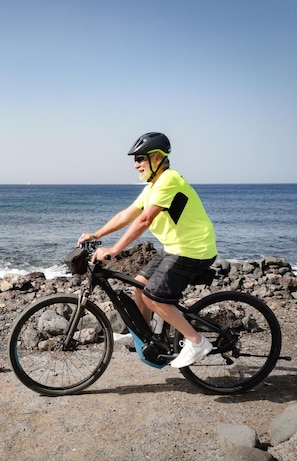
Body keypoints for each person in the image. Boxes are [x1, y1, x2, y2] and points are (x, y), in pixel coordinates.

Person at [78, 132, 217, 368]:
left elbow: (144, 221)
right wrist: (97, 234)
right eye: (135, 159)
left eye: (141, 158)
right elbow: (127, 215)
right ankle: (145, 338)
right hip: (174, 247)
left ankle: (196, 341)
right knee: (139, 284)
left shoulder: (169, 180)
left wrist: (115, 250)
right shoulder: (153, 186)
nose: (136, 165)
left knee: (155, 296)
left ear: (158, 158)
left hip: (193, 249)